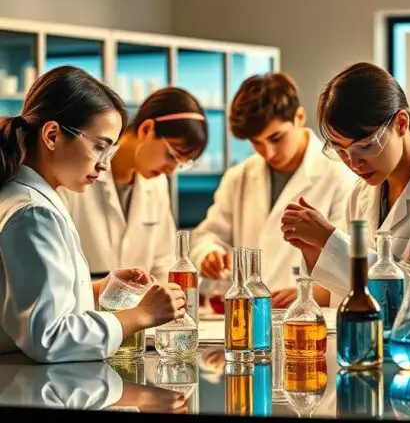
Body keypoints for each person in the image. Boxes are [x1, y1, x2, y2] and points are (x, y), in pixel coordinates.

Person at [0, 66, 185, 363]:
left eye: (109, 152)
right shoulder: (33, 212)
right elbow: (50, 338)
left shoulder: (32, 199)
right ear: (52, 135)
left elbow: (26, 301)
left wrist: (98, 289)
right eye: (100, 147)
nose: (104, 165)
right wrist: (141, 315)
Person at [278, 62, 410, 300]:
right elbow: (354, 293)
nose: (354, 163)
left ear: (401, 124)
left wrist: (329, 239)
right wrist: (317, 253)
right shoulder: (360, 194)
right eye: (341, 150)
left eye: (366, 146)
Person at [188, 73, 356, 307]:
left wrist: (310, 294)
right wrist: (209, 253)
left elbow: (347, 260)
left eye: (276, 138)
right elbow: (208, 235)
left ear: (299, 117)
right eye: (256, 142)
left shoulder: (340, 175)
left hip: (310, 314)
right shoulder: (239, 176)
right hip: (250, 313)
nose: (267, 152)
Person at [61, 88, 208, 283]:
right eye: (172, 156)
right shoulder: (80, 171)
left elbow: (163, 262)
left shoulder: (157, 184)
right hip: (82, 299)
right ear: (146, 129)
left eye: (181, 163)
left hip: (141, 302)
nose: (171, 171)